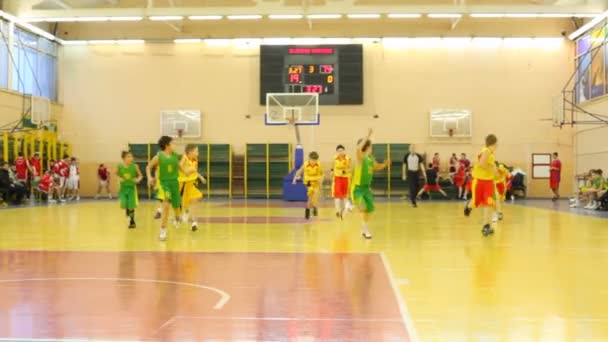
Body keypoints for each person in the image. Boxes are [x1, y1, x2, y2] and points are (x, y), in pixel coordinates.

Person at [147, 136, 191, 241]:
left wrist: (185, 171)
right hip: (164, 184)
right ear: (167, 145)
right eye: (173, 143)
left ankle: (176, 217)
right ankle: (163, 230)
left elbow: (179, 167)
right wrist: (149, 177)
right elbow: (148, 167)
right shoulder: (158, 157)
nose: (174, 145)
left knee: (177, 207)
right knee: (166, 206)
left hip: (174, 184)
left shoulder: (175, 156)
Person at [352, 128, 390, 239]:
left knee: (369, 210)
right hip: (358, 188)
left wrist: (385, 164)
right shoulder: (360, 157)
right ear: (367, 147)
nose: (371, 148)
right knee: (362, 207)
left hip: (367, 188)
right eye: (370, 146)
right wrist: (367, 136)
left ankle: (364, 228)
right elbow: (359, 148)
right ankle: (349, 205)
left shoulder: (370, 158)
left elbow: (376, 167)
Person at [464, 134, 499, 237]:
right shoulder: (486, 151)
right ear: (494, 143)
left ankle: (486, 226)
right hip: (479, 181)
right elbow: (482, 164)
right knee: (476, 202)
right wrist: (493, 168)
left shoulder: (491, 153)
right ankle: (469, 205)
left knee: (489, 203)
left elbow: (491, 165)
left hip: (488, 182)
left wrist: (495, 171)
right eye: (496, 144)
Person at [179, 144, 207, 232]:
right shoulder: (185, 157)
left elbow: (194, 171)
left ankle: (194, 222)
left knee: (194, 201)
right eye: (196, 151)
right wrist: (184, 171)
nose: (198, 153)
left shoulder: (195, 160)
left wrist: (200, 177)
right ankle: (186, 211)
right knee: (184, 203)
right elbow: (179, 165)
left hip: (192, 184)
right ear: (190, 152)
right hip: (183, 184)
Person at [293, 151, 324, 219]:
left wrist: (321, 181)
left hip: (316, 183)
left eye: (315, 160)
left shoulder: (319, 165)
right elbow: (299, 171)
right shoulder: (305, 164)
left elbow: (322, 174)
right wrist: (295, 179)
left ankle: (314, 208)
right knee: (310, 198)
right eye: (312, 160)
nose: (314, 162)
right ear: (309, 159)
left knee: (315, 197)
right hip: (308, 183)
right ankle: (308, 212)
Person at [117, 151, 143, 229]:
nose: (131, 158)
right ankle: (128, 215)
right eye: (128, 156)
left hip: (131, 189)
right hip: (123, 189)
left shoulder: (135, 166)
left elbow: (140, 175)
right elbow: (115, 174)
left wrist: (138, 179)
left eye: (131, 156)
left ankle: (132, 221)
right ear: (124, 158)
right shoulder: (119, 166)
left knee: (131, 206)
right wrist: (119, 178)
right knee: (124, 205)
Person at [332, 144, 353, 219]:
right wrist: (332, 171)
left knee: (344, 196)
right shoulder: (334, 159)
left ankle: (344, 211)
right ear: (337, 152)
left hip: (345, 178)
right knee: (337, 195)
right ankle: (337, 211)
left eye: (342, 151)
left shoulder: (348, 158)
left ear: (344, 151)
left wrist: (345, 171)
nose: (340, 152)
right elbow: (332, 167)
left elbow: (351, 168)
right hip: (337, 178)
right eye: (339, 151)